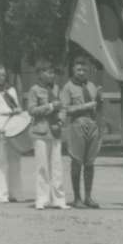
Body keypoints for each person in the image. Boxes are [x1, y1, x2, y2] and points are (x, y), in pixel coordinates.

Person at [61, 56, 104, 208]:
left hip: (92, 125)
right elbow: (65, 109)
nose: (81, 72)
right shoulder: (68, 87)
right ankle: (77, 198)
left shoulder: (91, 86)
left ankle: (88, 197)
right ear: (73, 70)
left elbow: (98, 108)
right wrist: (85, 106)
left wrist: (99, 99)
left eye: (84, 70)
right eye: (78, 69)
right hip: (77, 125)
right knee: (77, 162)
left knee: (90, 162)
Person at [26, 60, 68, 210]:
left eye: (53, 72)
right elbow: (31, 110)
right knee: (42, 167)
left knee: (57, 167)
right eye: (48, 72)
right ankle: (42, 199)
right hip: (40, 132)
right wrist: (50, 106)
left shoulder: (57, 88)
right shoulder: (34, 90)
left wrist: (61, 122)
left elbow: (63, 107)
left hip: (55, 131)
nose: (51, 75)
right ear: (40, 74)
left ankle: (59, 199)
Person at [0, 64, 25, 203]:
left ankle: (15, 193)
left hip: (13, 126)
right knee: (1, 160)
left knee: (15, 159)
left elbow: (17, 106)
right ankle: (1, 194)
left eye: (3, 75)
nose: (1, 77)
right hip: (0, 126)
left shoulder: (11, 90)